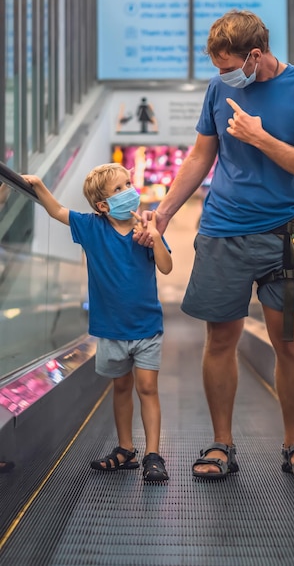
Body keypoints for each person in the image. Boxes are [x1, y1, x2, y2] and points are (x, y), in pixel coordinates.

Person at [137, 10, 294, 480]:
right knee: (221, 339)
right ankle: (221, 445)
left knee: (287, 342)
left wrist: (261, 138)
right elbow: (200, 156)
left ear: (255, 54)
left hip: (286, 237)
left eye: (229, 67)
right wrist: (163, 214)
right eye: (218, 68)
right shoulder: (218, 90)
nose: (224, 76)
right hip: (223, 231)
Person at [22, 163, 172, 482]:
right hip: (110, 329)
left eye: (128, 184)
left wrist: (156, 237)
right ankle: (125, 449)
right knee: (121, 387)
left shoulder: (144, 230)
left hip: (147, 327)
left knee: (147, 388)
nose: (128, 191)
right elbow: (57, 211)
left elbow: (167, 266)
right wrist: (37, 184)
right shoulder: (91, 228)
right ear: (103, 205)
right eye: (118, 189)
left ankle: (153, 455)